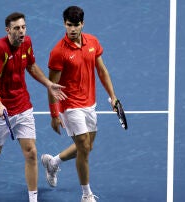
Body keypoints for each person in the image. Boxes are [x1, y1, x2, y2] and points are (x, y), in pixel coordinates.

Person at [0, 12, 67, 202]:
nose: (21, 31)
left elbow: (32, 67)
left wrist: (49, 84)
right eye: (17, 28)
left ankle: (33, 199)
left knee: (31, 152)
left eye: (23, 27)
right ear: (8, 30)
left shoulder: (27, 43)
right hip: (1, 111)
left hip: (23, 105)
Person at [41, 6, 120, 202]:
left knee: (87, 147)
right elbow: (53, 86)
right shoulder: (58, 52)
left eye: (76, 25)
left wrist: (113, 97)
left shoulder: (92, 42)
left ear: (82, 24)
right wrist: (54, 114)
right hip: (70, 105)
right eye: (69, 25)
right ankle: (86, 195)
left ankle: (53, 162)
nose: (73, 29)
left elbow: (102, 71)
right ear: (64, 24)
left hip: (89, 102)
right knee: (84, 147)